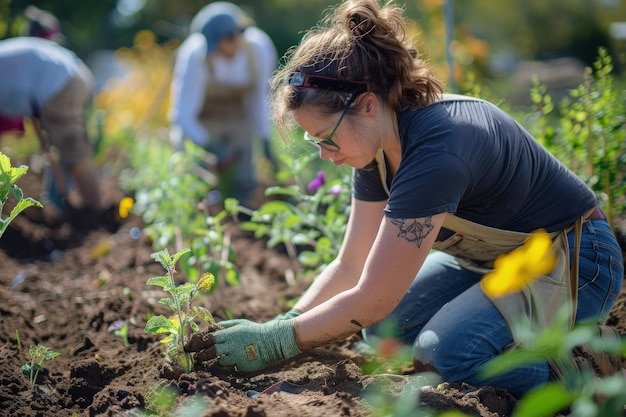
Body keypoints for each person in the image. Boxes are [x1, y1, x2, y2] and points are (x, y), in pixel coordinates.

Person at [184, 0, 624, 398]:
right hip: (495, 260)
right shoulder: (376, 147)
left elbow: (375, 294)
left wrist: (276, 344)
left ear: (368, 105)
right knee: (384, 332)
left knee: (449, 356)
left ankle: (582, 376)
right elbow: (351, 265)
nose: (325, 155)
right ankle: (507, 330)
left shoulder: (438, 150)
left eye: (326, 139)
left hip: (576, 259)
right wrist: (282, 323)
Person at [168, 2, 278, 208]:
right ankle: (202, 211)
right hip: (202, 122)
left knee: (244, 179)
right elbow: (182, 115)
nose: (217, 50)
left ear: (236, 36)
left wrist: (265, 140)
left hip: (238, 119)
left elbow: (259, 100)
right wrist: (210, 144)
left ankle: (242, 216)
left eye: (222, 43)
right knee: (199, 177)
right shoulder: (195, 54)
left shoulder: (259, 49)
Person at [0, 35, 105, 229]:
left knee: (74, 152)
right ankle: (66, 207)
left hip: (60, 83)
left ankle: (94, 215)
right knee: (68, 149)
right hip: (67, 74)